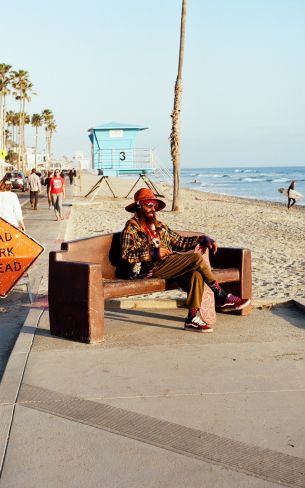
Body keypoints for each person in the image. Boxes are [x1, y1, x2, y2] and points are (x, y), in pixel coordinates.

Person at [121, 188, 251, 333]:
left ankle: (192, 318)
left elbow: (180, 242)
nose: (153, 209)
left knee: (195, 275)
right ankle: (221, 295)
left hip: (170, 263)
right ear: (139, 206)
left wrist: (201, 239)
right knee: (196, 258)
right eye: (149, 205)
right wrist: (152, 253)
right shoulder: (131, 227)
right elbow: (127, 254)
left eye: (155, 206)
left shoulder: (160, 226)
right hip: (150, 269)